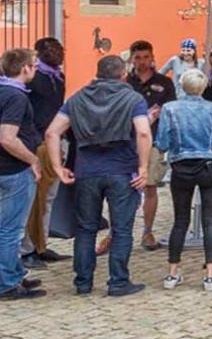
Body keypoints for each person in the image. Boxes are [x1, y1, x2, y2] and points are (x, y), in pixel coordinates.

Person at [46, 55, 151, 297]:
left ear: (98, 73)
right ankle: (118, 282)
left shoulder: (77, 98)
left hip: (86, 171)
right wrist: (144, 167)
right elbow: (143, 133)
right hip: (122, 170)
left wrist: (57, 167)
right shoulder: (133, 99)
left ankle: (83, 282)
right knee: (122, 229)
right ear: (123, 74)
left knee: (85, 228)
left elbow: (52, 132)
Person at [155, 69, 212, 292]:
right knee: (211, 221)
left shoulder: (170, 109)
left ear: (182, 85)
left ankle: (172, 273)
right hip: (209, 166)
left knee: (180, 221)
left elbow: (162, 143)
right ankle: (210, 275)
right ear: (203, 87)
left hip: (181, 167)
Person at [0, 48, 44, 300]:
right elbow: (7, 138)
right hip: (13, 169)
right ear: (25, 68)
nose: (35, 69)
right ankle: (7, 283)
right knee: (11, 229)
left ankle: (14, 274)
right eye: (34, 65)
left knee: (6, 227)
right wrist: (32, 159)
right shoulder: (16, 97)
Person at [128, 40, 177, 252]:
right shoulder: (125, 82)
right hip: (128, 141)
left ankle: (147, 232)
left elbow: (172, 109)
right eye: (138, 58)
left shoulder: (164, 82)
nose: (142, 62)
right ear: (132, 59)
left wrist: (159, 114)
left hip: (155, 140)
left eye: (146, 57)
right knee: (123, 188)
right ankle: (116, 233)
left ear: (152, 57)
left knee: (150, 186)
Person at [21, 37, 66, 269]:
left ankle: (41, 244)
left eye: (57, 48)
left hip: (54, 141)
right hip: (37, 143)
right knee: (33, 201)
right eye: (49, 49)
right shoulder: (33, 78)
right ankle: (26, 249)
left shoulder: (58, 77)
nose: (54, 53)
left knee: (48, 198)